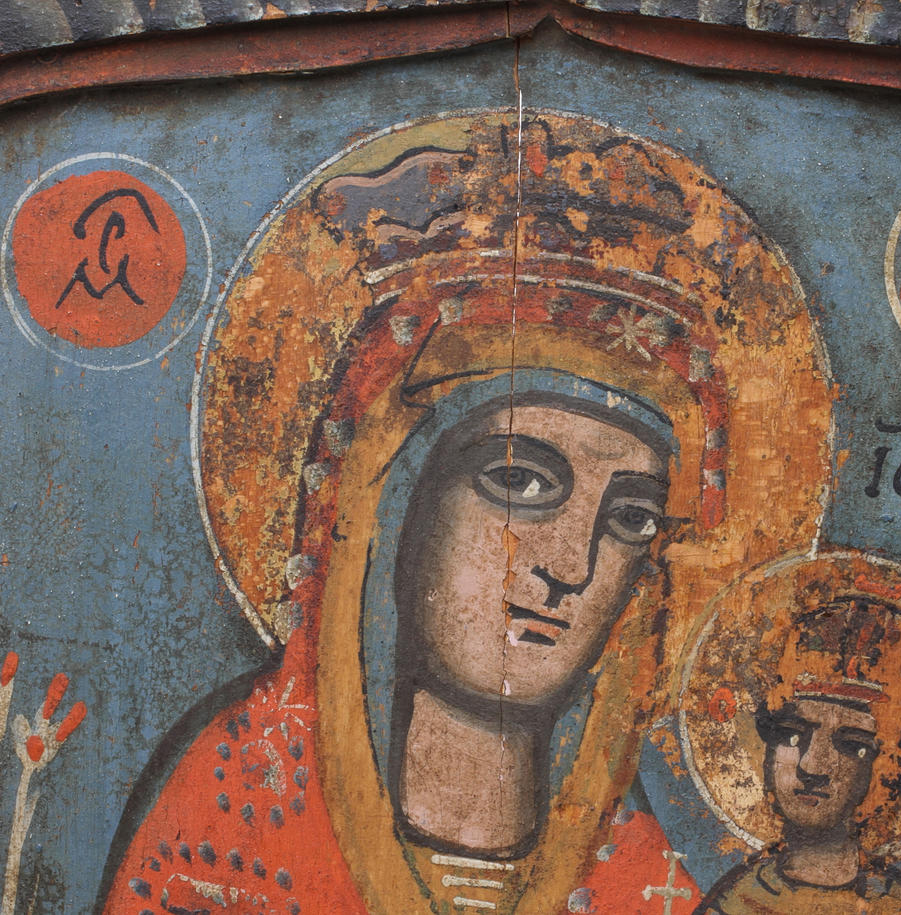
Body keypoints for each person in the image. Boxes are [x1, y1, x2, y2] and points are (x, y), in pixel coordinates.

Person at [101, 110, 835, 914]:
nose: (571, 566)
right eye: (519, 481)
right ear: (389, 504)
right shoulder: (229, 826)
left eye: (631, 519)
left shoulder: (644, 887)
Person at [683, 552, 901, 915]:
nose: (813, 767)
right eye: (791, 737)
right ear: (763, 750)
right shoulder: (733, 905)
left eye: (852, 746)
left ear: (890, 770)